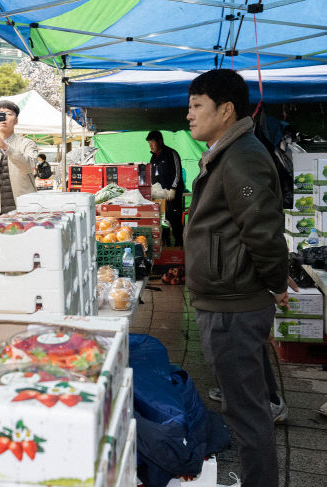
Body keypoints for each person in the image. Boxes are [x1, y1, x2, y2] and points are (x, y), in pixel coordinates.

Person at [184, 69, 288, 487]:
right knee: (244, 405)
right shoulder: (228, 152)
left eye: (196, 105)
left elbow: (262, 229)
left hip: (234, 305)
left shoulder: (242, 155)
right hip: (226, 299)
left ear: (226, 110)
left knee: (245, 413)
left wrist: (277, 283)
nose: (188, 115)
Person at [146, 130, 185, 247]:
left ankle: (180, 245)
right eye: (149, 143)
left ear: (160, 141)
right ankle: (166, 245)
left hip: (172, 194)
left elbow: (178, 173)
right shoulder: (153, 158)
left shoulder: (171, 153)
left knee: (174, 220)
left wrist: (173, 188)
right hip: (159, 196)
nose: (150, 146)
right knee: (162, 220)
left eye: (152, 143)